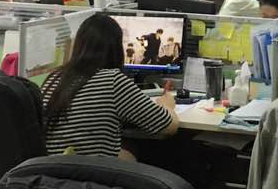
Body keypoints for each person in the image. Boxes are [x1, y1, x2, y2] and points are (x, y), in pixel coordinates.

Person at [41, 14, 178, 157]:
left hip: (52, 166)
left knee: (125, 151)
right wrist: (167, 105)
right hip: (89, 168)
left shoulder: (53, 78)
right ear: (116, 48)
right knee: (136, 151)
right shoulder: (113, 81)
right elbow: (168, 126)